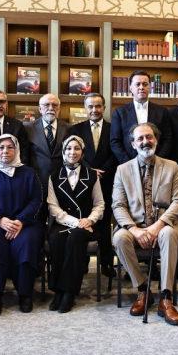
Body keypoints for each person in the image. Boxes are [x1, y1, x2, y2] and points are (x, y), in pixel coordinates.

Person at [111, 123, 178, 325]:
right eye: (140, 138)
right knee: (119, 238)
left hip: (163, 224)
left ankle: (166, 298)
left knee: (168, 234)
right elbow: (118, 205)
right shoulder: (122, 170)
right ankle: (143, 289)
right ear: (133, 144)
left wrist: (156, 227)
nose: (145, 142)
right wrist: (134, 230)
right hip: (134, 225)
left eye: (149, 137)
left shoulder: (172, 166)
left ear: (156, 140)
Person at [0, 134, 44, 316]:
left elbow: (36, 200)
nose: (5, 151)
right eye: (1, 147)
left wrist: (20, 220)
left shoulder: (28, 173)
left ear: (16, 150)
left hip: (23, 223)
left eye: (10, 147)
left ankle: (25, 294)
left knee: (26, 242)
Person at [45, 135, 104, 313]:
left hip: (87, 224)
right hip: (64, 222)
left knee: (75, 238)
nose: (72, 152)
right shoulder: (54, 176)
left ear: (83, 153)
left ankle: (68, 292)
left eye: (77, 148)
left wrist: (90, 219)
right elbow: (53, 206)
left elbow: (99, 204)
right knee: (56, 239)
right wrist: (75, 222)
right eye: (69, 148)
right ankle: (58, 291)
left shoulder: (92, 175)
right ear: (63, 152)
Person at [69, 92, 117, 281]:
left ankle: (106, 263)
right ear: (85, 108)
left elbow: (116, 152)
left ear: (104, 108)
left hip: (108, 181)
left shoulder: (113, 128)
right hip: (83, 184)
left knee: (105, 224)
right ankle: (81, 262)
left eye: (98, 106)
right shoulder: (76, 129)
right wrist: (89, 171)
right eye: (90, 106)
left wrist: (102, 171)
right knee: (83, 222)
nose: (94, 110)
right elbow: (73, 154)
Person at [110, 70, 173, 163]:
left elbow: (168, 139)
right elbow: (115, 141)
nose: (141, 87)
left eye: (145, 84)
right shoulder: (119, 112)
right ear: (131, 88)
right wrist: (129, 163)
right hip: (128, 163)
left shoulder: (162, 112)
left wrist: (157, 161)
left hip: (157, 164)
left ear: (150, 87)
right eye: (137, 84)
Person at [24, 93, 69, 179]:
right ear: (40, 109)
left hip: (61, 178)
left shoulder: (68, 128)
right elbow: (24, 156)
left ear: (59, 109)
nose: (51, 108)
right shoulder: (28, 128)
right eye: (46, 105)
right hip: (36, 178)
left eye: (55, 105)